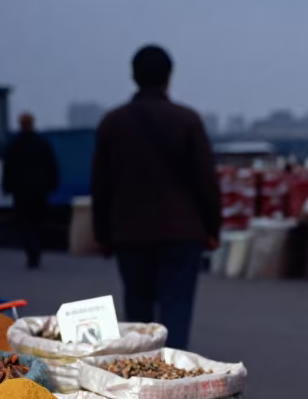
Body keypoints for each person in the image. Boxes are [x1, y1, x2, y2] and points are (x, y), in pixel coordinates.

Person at [92, 45, 221, 350]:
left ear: (133, 76)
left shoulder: (113, 122)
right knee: (176, 309)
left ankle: (141, 374)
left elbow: (100, 185)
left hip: (129, 232)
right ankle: (173, 379)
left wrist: (103, 234)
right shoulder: (187, 120)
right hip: (182, 231)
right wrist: (213, 229)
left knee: (138, 313)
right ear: (168, 77)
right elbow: (206, 180)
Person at [2, 113, 59, 269]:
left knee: (24, 223)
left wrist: (7, 187)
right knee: (38, 222)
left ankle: (32, 253)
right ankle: (36, 251)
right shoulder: (42, 143)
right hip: (40, 191)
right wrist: (52, 185)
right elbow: (51, 165)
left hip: (21, 192)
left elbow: (8, 168)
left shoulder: (15, 144)